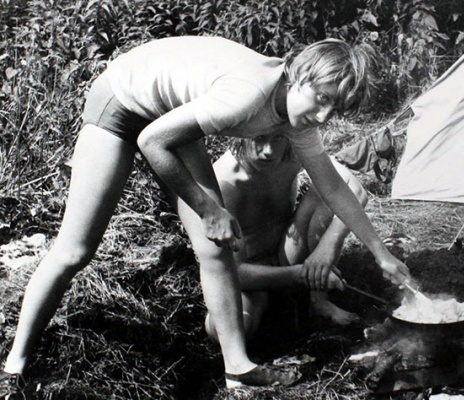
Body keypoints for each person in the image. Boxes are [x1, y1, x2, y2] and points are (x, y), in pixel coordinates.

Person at [0, 35, 413, 395]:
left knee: (215, 248)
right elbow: (151, 140)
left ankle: (238, 368)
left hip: (171, 118)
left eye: (335, 109)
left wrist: (380, 253)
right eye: (322, 99)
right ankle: (14, 365)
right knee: (75, 250)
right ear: (299, 75)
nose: (323, 116)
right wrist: (207, 207)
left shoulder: (297, 120)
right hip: (123, 104)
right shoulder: (249, 94)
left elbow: (334, 187)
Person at [196, 132, 366, 345]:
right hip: (250, 275)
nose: (268, 151)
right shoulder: (224, 182)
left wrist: (327, 248)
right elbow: (234, 273)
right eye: (258, 138)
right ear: (239, 134)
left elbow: (357, 190)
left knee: (327, 192)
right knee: (227, 331)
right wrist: (298, 274)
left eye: (277, 138)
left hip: (286, 251)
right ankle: (261, 308)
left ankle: (318, 301)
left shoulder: (292, 155)